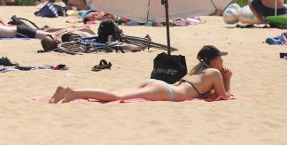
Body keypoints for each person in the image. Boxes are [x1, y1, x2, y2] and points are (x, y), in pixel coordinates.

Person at [49, 45, 233, 103]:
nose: (223, 62)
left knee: (117, 92)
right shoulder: (215, 73)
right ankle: (74, 92)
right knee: (117, 96)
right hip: (167, 91)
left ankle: (67, 91)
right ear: (214, 61)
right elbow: (223, 96)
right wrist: (227, 79)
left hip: (156, 83)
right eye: (221, 59)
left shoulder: (197, 70)